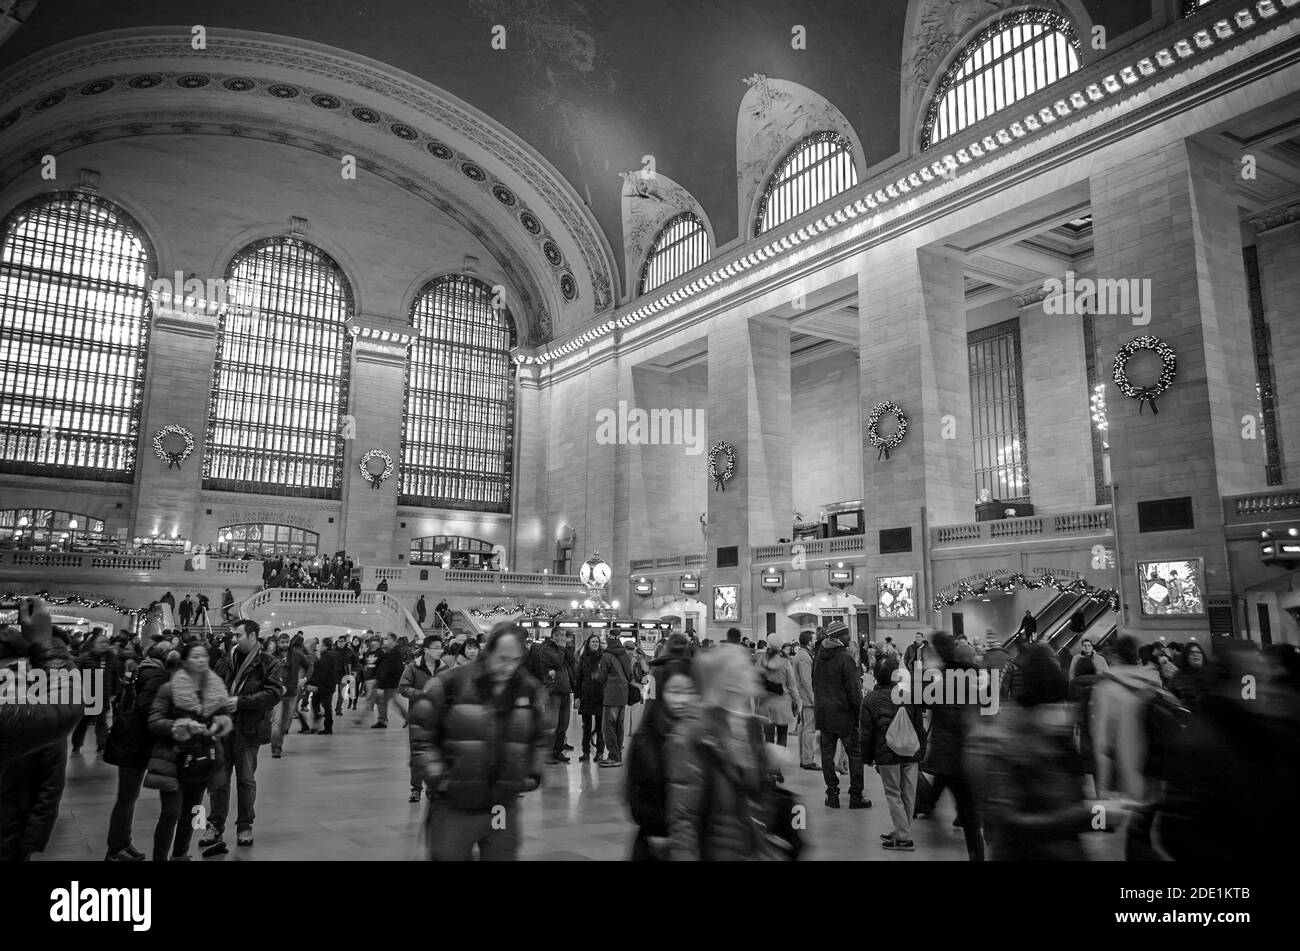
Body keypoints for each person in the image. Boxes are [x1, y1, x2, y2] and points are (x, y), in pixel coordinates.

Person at [967, 643, 1129, 860]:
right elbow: (1010, 822)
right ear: (1035, 706)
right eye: (1054, 706)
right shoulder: (1008, 747)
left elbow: (1070, 804)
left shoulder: (1060, 744)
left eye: (1064, 706)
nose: (1063, 714)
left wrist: (1099, 816)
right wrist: (1094, 815)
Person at [409, 626, 552, 860]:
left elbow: (541, 737)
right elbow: (422, 732)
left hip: (501, 805)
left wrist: (529, 777)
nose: (509, 667)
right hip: (454, 804)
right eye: (503, 659)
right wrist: (440, 778)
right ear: (489, 652)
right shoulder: (452, 682)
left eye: (516, 660)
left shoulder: (528, 690)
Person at [666, 644, 779, 860]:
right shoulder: (695, 733)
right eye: (745, 667)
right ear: (730, 680)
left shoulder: (752, 728)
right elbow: (683, 818)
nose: (754, 671)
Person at [199, 620, 284, 854]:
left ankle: (245, 825)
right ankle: (215, 826)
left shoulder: (269, 663)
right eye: (233, 635)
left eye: (238, 635)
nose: (234, 639)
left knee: (246, 780)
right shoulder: (226, 660)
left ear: (253, 636)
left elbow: (274, 694)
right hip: (223, 729)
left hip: (249, 730)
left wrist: (241, 702)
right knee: (218, 781)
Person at [145, 641, 233, 862]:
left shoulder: (215, 687)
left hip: (202, 758)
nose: (201, 660)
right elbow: (155, 721)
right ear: (184, 660)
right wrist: (180, 726)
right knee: (171, 813)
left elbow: (224, 716)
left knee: (192, 813)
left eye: (204, 656)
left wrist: (219, 725)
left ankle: (180, 854)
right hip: (173, 759)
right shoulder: (170, 688)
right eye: (195, 656)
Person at [913, 632, 984, 860]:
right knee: (966, 807)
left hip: (947, 749)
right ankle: (976, 852)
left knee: (958, 796)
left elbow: (925, 702)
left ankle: (928, 806)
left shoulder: (939, 676)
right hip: (963, 749)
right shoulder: (969, 673)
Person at [103, 637, 172, 861]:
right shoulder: (156, 675)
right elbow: (147, 708)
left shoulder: (145, 669)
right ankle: (115, 849)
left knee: (128, 797)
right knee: (126, 798)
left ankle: (123, 841)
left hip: (131, 740)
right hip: (134, 743)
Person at [626, 656, 698, 861]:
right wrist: (661, 830)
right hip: (658, 844)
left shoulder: (703, 738)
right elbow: (636, 800)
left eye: (689, 692)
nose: (682, 700)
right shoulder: (646, 741)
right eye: (675, 692)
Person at [859, 656, 925, 850]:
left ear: (876, 677)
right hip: (911, 752)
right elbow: (919, 727)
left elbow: (867, 733)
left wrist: (867, 757)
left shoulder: (870, 700)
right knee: (908, 793)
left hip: (886, 754)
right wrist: (921, 751)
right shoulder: (910, 695)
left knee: (893, 793)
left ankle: (903, 836)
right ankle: (902, 829)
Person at [1090, 635, 1162, 802]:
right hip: (1154, 772)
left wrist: (1103, 787)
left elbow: (1102, 742)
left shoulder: (1105, 688)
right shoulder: (1153, 683)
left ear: (1115, 656)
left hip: (1125, 773)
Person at [813, 621, 867, 809]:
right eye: (847, 634)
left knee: (827, 756)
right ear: (839, 637)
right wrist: (859, 713)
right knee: (855, 754)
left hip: (824, 714)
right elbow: (854, 690)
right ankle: (856, 796)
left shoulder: (819, 657)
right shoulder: (845, 658)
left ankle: (832, 795)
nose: (849, 638)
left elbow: (815, 684)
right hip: (844, 715)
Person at [399, 635, 444, 802]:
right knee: (418, 753)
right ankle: (416, 788)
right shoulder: (413, 667)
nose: (439, 651)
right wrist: (422, 694)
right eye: (436, 647)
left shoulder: (445, 668)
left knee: (437, 752)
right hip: (419, 718)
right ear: (426, 650)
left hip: (439, 717)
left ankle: (433, 788)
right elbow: (403, 688)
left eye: (441, 647)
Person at [754, 638, 800, 782]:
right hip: (782, 703)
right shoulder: (785, 662)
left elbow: (756, 683)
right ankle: (778, 768)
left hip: (765, 704)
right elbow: (791, 684)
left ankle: (769, 768)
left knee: (768, 738)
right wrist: (796, 701)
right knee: (782, 736)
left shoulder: (761, 661)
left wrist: (756, 704)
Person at [529, 627, 574, 764]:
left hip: (566, 691)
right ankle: (548, 753)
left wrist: (566, 649)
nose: (564, 638)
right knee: (552, 724)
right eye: (562, 635)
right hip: (553, 692)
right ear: (554, 636)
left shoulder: (562, 649)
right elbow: (558, 662)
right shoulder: (546, 649)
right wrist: (561, 648)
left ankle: (557, 751)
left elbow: (571, 662)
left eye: (565, 635)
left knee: (563, 725)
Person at [70, 631, 119, 755]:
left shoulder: (111, 658)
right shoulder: (86, 657)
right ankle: (76, 745)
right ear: (94, 644)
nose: (104, 645)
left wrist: (114, 692)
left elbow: (115, 676)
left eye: (106, 642)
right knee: (83, 721)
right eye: (101, 642)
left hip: (103, 695)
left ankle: (102, 745)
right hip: (87, 695)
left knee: (101, 721)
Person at [271, 633, 314, 757]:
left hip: (292, 693)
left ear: (289, 642)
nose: (284, 644)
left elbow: (310, 665)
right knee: (276, 723)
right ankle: (276, 748)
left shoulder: (297, 654)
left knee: (286, 723)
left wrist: (305, 679)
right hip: (277, 694)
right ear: (278, 643)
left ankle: (279, 740)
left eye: (286, 642)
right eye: (282, 642)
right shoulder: (272, 657)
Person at [595, 632, 633, 767]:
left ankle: (613, 756)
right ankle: (618, 756)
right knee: (619, 727)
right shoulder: (625, 655)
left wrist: (594, 675)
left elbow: (601, 677)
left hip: (611, 696)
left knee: (608, 727)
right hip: (623, 695)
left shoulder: (606, 656)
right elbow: (630, 675)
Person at [573, 634, 605, 763]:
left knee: (599, 726)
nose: (595, 643)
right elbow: (578, 677)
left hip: (600, 695)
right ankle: (585, 751)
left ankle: (600, 752)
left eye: (597, 641)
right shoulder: (583, 658)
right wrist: (577, 696)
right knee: (586, 726)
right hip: (586, 695)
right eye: (593, 641)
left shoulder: (604, 657)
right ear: (588, 643)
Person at [793, 631, 818, 770]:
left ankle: (804, 758)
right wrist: (814, 699)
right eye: (814, 639)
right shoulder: (804, 657)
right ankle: (808, 759)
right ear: (809, 642)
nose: (815, 641)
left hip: (803, 697)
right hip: (807, 699)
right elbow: (806, 681)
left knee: (803, 728)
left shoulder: (802, 655)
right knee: (810, 729)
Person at [370, 633, 405, 728]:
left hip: (390, 682)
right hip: (385, 681)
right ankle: (383, 720)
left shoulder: (396, 652)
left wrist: (385, 677)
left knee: (387, 701)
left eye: (387, 639)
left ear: (393, 641)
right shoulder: (388, 651)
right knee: (385, 701)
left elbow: (397, 668)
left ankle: (383, 720)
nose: (385, 640)